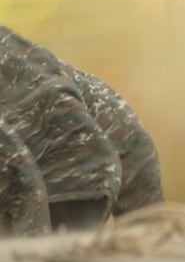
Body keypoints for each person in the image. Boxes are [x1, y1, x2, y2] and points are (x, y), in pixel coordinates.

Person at [0, 25, 164, 236]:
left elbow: (19, 175)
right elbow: (135, 142)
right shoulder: (19, 55)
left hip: (66, 175)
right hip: (97, 158)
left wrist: (32, 248)